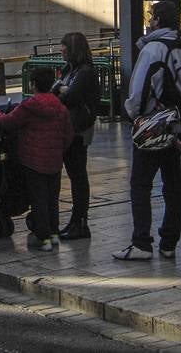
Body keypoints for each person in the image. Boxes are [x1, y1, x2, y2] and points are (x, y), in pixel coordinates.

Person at [115, 0, 181, 261]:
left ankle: (141, 243)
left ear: (158, 20)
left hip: (155, 125)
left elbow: (137, 90)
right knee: (173, 184)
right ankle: (169, 242)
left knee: (141, 184)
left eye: (151, 16)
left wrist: (134, 116)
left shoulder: (153, 49)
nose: (148, 21)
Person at [0, 66, 72, 253]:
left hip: (33, 161)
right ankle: (54, 234)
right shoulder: (60, 107)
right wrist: (58, 150)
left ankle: (44, 238)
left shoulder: (28, 106)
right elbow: (68, 134)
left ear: (33, 84)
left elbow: (7, 122)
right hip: (54, 160)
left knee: (38, 199)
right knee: (52, 198)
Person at [54, 31, 101, 240]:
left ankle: (80, 221)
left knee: (78, 176)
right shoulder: (70, 69)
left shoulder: (84, 71)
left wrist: (61, 88)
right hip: (68, 127)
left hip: (79, 129)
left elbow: (71, 96)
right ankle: (75, 220)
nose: (61, 51)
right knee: (75, 175)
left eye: (64, 48)